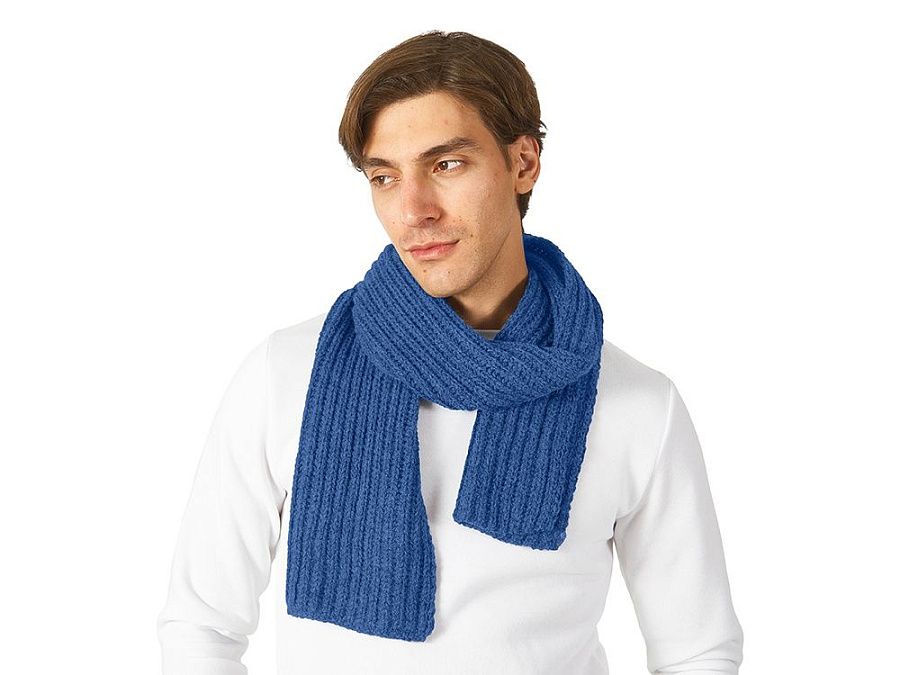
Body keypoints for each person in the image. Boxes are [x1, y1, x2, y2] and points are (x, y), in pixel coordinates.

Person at [156, 29, 744, 675]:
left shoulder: (636, 403)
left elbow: (697, 650)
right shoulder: (285, 374)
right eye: (385, 176)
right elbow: (201, 628)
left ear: (523, 163)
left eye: (446, 165)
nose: (413, 210)